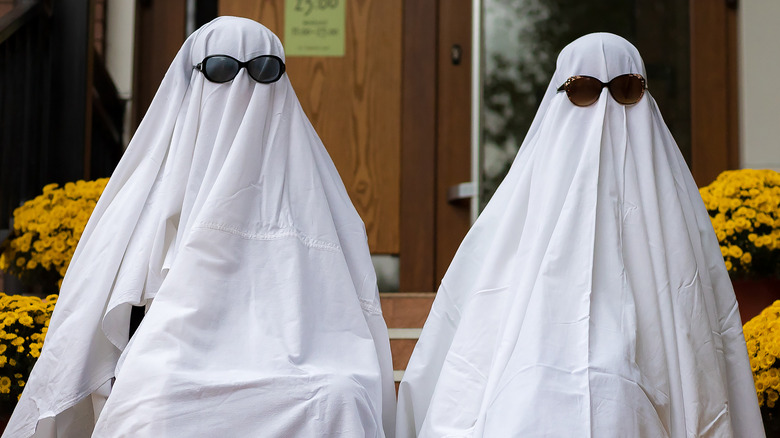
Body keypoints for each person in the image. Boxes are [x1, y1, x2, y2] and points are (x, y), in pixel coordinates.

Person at [4, 16, 395, 437]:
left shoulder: (314, 188)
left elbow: (348, 304)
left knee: (339, 394)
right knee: (150, 398)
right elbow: (107, 287)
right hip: (178, 352)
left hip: (307, 356)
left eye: (265, 70)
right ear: (192, 78)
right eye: (223, 69)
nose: (244, 87)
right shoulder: (156, 181)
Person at [396, 33, 764, 437]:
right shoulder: (521, 204)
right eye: (584, 90)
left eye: (626, 89)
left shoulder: (674, 208)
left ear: (644, 93)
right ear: (560, 93)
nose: (605, 106)